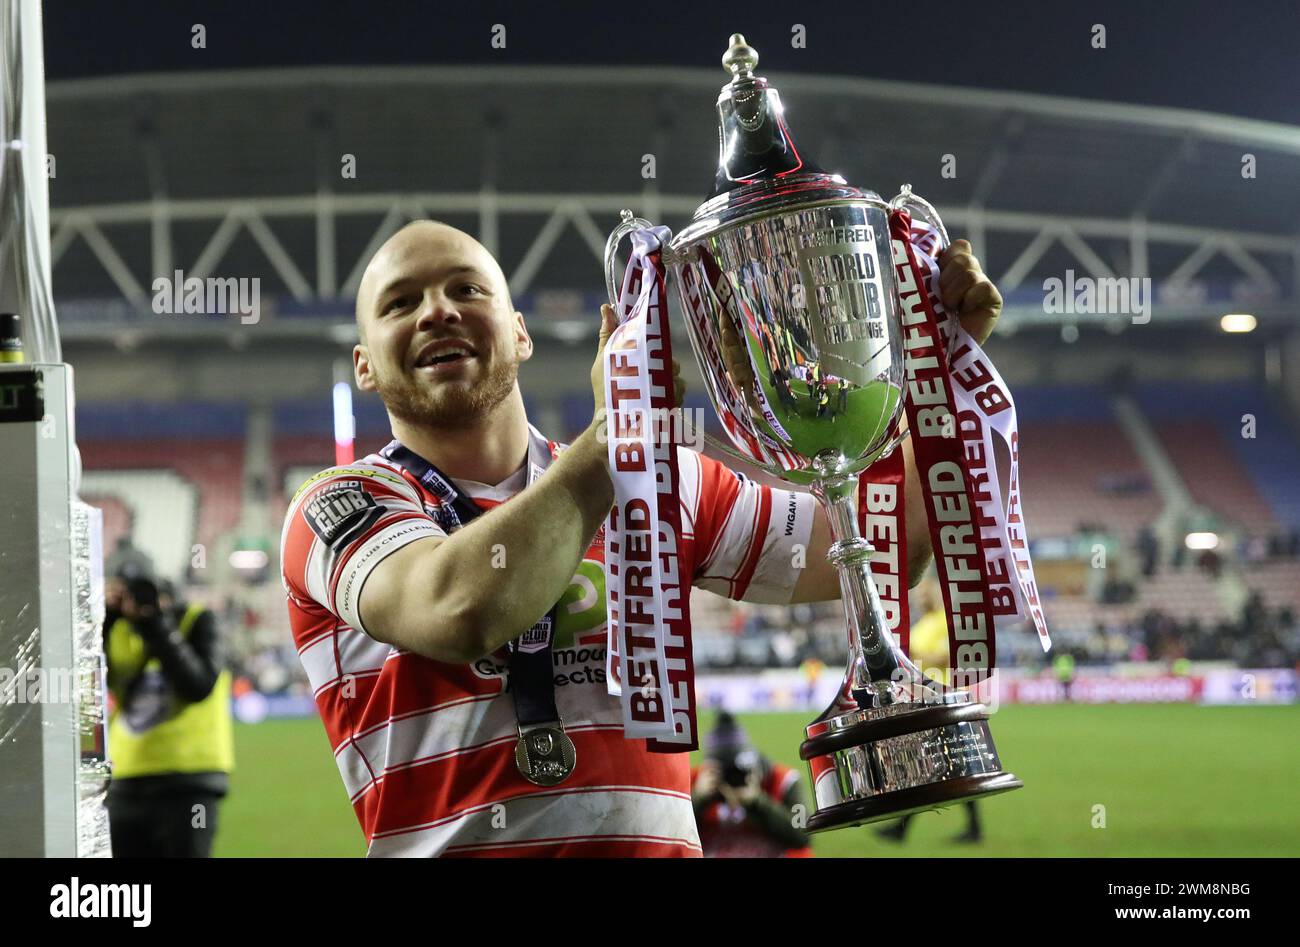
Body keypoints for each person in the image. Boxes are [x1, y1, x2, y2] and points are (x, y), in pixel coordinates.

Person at [278, 219, 1001, 857]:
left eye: (467, 289)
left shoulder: (665, 482)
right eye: (401, 302)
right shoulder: (339, 506)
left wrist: (943, 370)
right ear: (364, 364)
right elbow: (461, 607)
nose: (438, 310)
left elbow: (883, 546)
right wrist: (613, 442)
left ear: (520, 333)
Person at [104, 573, 233, 857]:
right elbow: (87, 685)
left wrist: (154, 625)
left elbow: (197, 685)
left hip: (188, 781)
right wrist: (107, 618)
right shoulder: (118, 629)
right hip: (125, 780)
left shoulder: (198, 621)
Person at [876, 577, 983, 844]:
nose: (922, 598)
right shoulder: (921, 625)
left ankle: (902, 828)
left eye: (927, 593)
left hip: (942, 701)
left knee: (932, 767)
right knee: (941, 767)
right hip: (924, 702)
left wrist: (912, 652)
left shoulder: (945, 623)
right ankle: (971, 829)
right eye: (919, 595)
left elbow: (945, 657)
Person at [690, 712, 812, 857]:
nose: (731, 778)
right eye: (723, 772)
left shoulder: (785, 782)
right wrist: (698, 799)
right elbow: (670, 836)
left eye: (737, 770)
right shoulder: (696, 782)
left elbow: (802, 836)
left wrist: (757, 801)